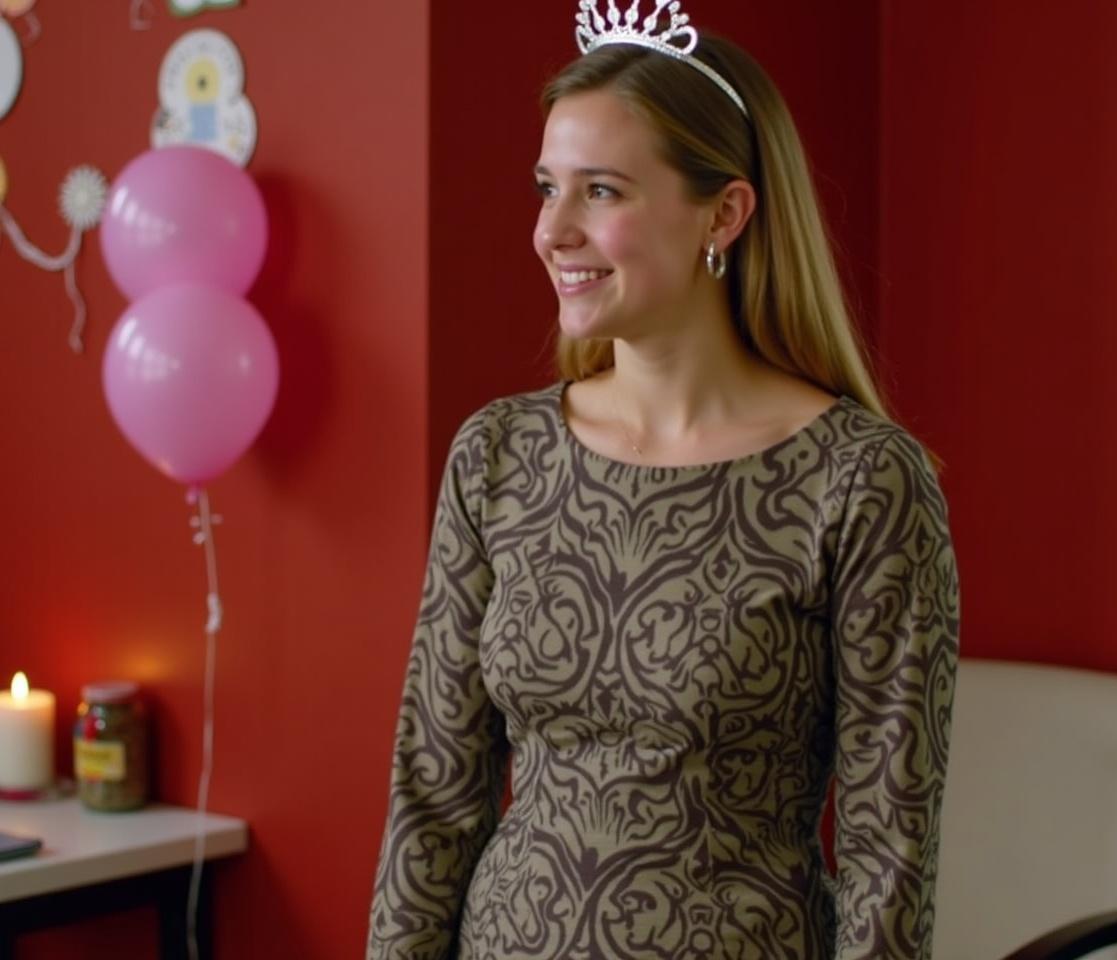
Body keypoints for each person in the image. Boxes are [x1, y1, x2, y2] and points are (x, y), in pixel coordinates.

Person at [368, 3, 959, 958]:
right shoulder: (498, 455)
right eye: (545, 187)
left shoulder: (860, 483)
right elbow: (433, 796)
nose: (552, 231)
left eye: (600, 191)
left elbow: (890, 859)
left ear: (723, 213)